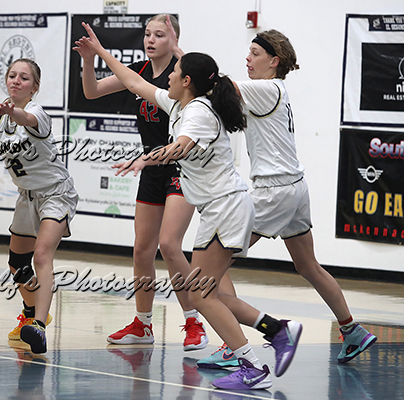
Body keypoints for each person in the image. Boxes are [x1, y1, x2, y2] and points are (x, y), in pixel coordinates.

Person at [76, 23, 272, 390]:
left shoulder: (198, 112)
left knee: (201, 291)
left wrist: (145, 159)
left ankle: (255, 358)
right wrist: (100, 53)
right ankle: (267, 337)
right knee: (205, 291)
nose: (168, 76)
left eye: (176, 72)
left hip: (227, 209)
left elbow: (180, 147)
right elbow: (134, 83)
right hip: (220, 210)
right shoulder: (179, 103)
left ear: (186, 81)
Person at [198, 29, 377, 372]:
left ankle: (234, 344)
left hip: (272, 193)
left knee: (209, 272)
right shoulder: (272, 90)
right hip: (295, 188)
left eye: (255, 53)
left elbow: (216, 85)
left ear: (274, 61)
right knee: (308, 266)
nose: (247, 58)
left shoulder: (266, 88)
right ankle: (352, 329)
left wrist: (184, 64)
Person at [74, 14, 207, 351]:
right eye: (147, 33)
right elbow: (91, 91)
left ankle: (194, 321)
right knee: (142, 250)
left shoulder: (183, 74)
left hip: (181, 166)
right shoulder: (140, 70)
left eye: (159, 35)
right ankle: (143, 324)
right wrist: (88, 60)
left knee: (170, 245)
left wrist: (178, 50)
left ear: (173, 39)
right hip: (151, 165)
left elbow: (205, 87)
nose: (150, 40)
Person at [0, 58, 78, 354]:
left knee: (41, 255)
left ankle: (39, 327)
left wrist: (12, 111)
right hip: (26, 196)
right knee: (17, 264)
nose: (16, 80)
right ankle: (29, 315)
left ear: (34, 87)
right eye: (12, 75)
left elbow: (25, 119)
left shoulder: (36, 113)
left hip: (56, 193)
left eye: (24, 77)